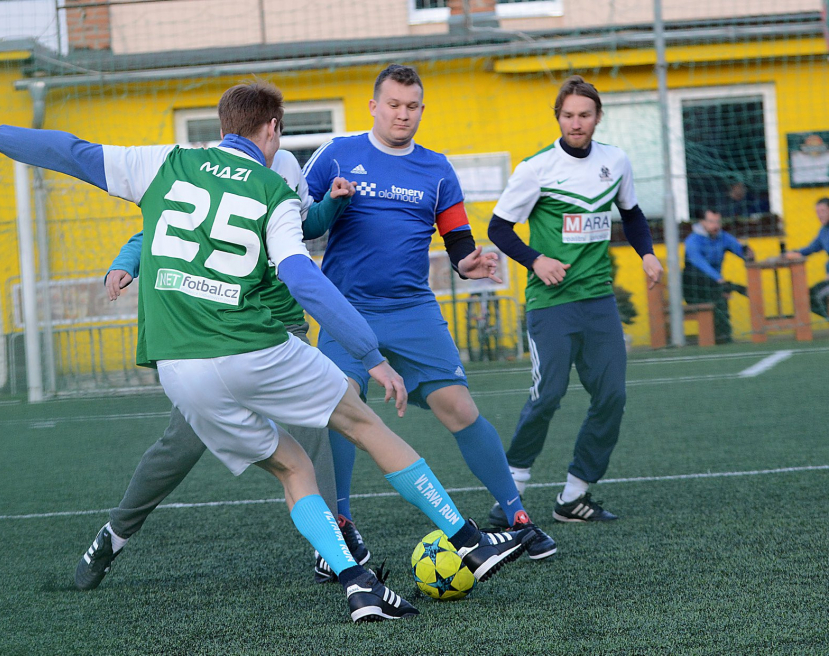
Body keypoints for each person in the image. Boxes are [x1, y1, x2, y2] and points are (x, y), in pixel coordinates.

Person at [0, 82, 533, 623]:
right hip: (255, 344)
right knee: (359, 419)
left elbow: (68, 151)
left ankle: (355, 582)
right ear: (271, 129)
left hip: (181, 367)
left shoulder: (164, 162)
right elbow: (302, 274)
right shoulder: (273, 186)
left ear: (221, 126)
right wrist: (369, 352)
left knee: (295, 464)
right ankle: (470, 540)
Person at [302, 64, 556, 565]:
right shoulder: (337, 155)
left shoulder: (436, 168)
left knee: (459, 407)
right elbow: (301, 224)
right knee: (341, 407)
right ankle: (341, 528)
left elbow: (457, 238)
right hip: (346, 309)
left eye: (412, 106)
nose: (403, 114)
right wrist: (331, 204)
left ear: (421, 109)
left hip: (413, 308)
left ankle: (516, 515)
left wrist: (469, 262)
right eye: (393, 104)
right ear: (374, 106)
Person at [93, 147, 360, 591]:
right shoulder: (200, 168)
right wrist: (125, 263)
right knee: (180, 443)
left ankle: (329, 547)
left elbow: (304, 225)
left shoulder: (287, 165)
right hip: (222, 327)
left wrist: (333, 203)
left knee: (316, 424)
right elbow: (160, 227)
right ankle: (115, 533)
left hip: (282, 324)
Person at [486, 75, 663, 524]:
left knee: (612, 396)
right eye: (568, 115)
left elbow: (633, 213)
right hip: (551, 304)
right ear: (558, 118)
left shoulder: (616, 161)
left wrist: (647, 254)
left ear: (597, 118)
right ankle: (511, 495)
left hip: (599, 300)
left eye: (585, 115)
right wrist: (536, 260)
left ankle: (574, 495)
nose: (576, 122)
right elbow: (499, 229)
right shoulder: (536, 168)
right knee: (547, 395)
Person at [682, 209, 754, 344]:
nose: (715, 226)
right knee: (698, 275)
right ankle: (733, 288)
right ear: (702, 222)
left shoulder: (723, 237)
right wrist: (719, 279)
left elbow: (740, 250)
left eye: (718, 222)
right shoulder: (692, 241)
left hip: (715, 287)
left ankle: (723, 335)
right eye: (711, 222)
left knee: (720, 292)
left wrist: (747, 253)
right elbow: (701, 264)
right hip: (694, 289)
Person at [785, 197, 829, 318]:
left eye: (823, 211)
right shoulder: (823, 231)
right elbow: (810, 249)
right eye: (817, 212)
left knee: (816, 296)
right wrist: (793, 253)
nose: (819, 215)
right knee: (808, 297)